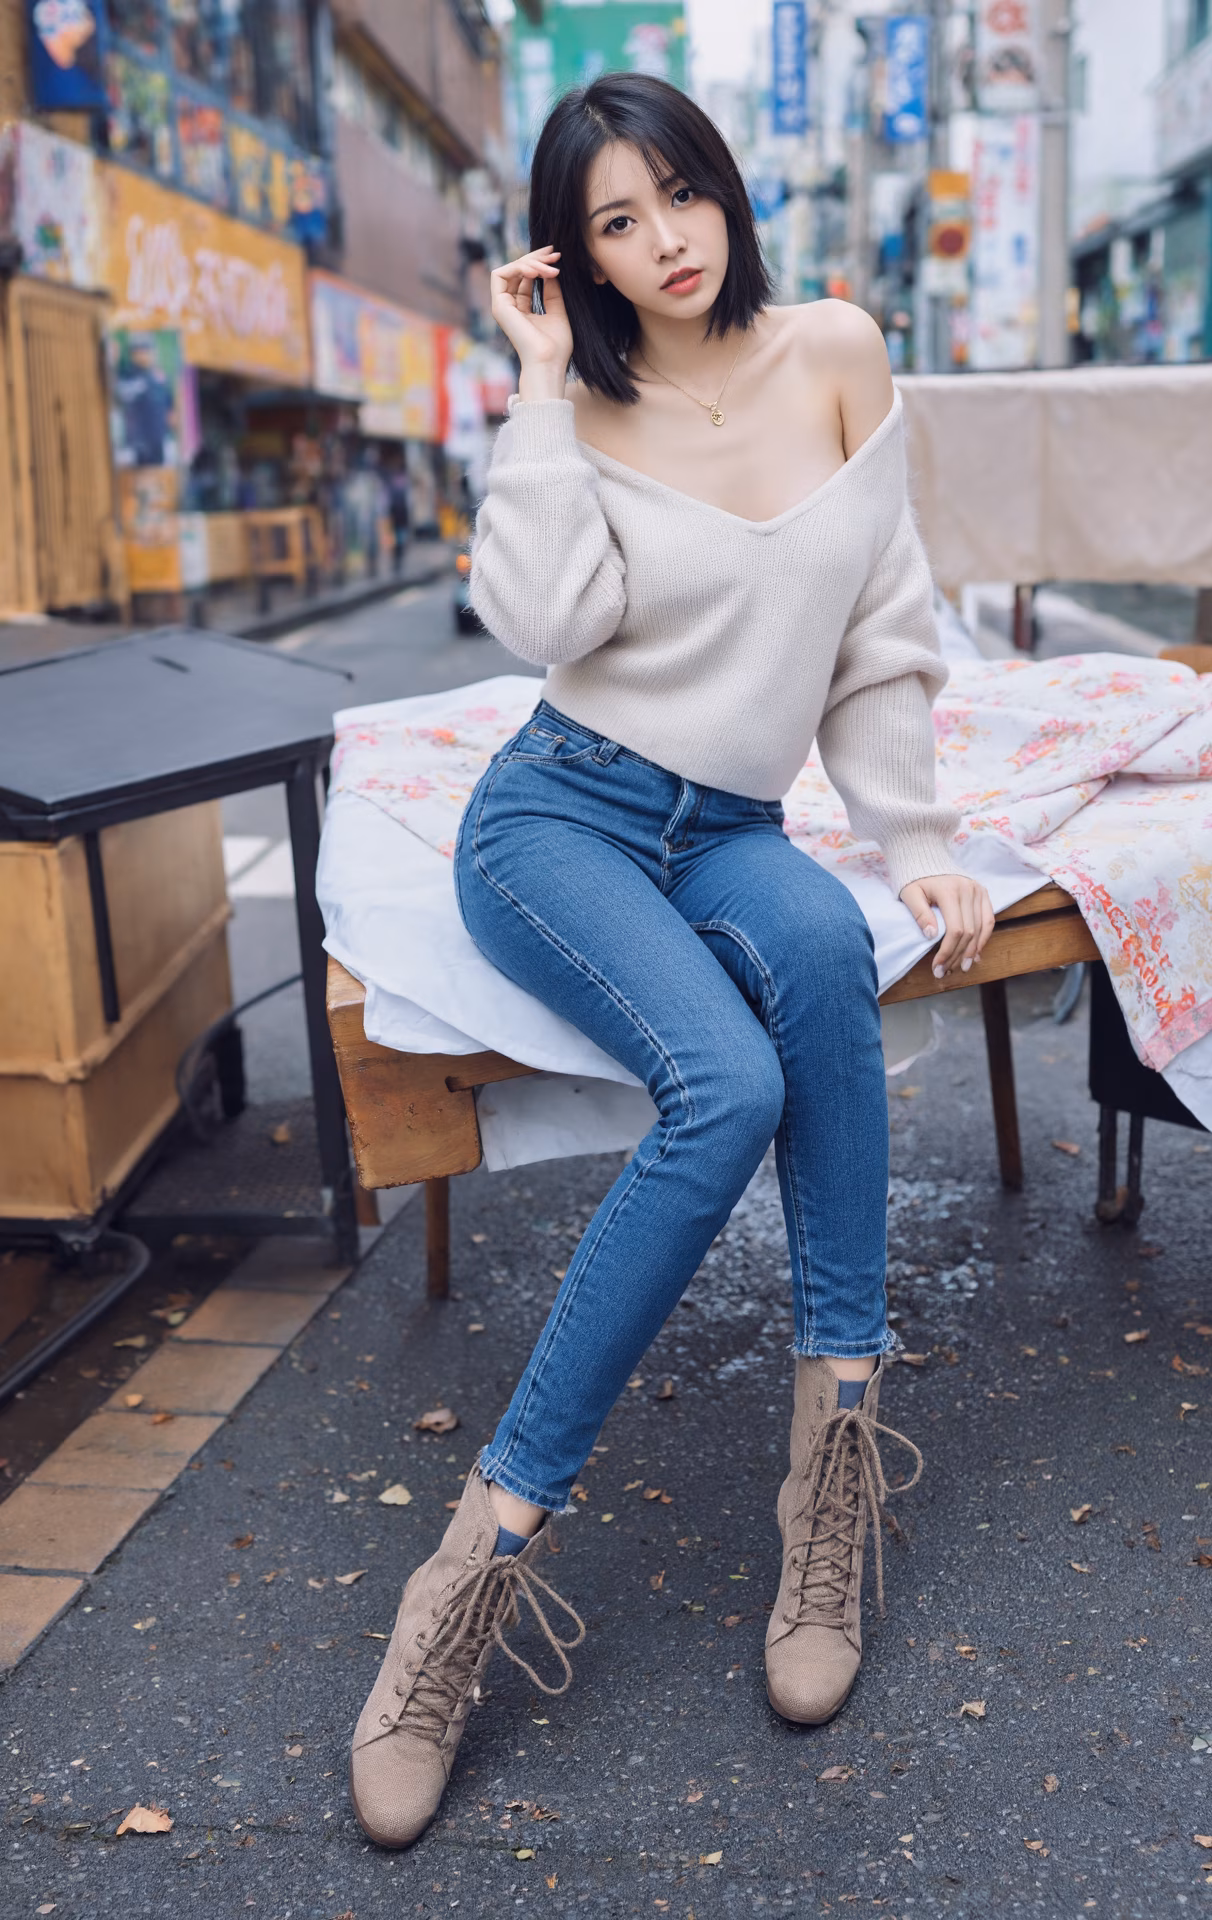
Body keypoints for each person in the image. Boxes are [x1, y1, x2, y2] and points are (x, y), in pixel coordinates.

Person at [349, 72, 995, 1850]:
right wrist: (546, 389)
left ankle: (830, 1475)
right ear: (579, 256)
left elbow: (882, 627)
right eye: (615, 224)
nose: (663, 244)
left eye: (679, 198)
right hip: (558, 819)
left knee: (825, 967)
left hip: (732, 831)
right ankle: (474, 1566)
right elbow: (546, 624)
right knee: (725, 1089)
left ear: (725, 186)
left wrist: (919, 835)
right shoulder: (590, 408)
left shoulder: (840, 353)